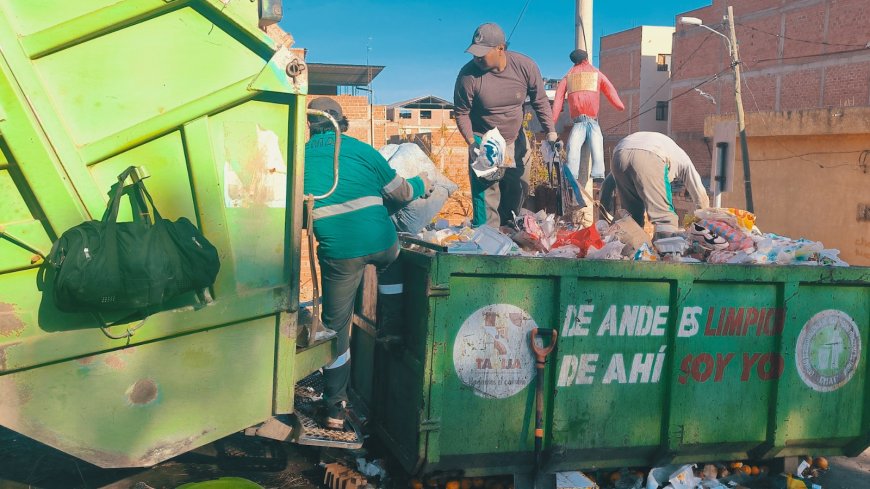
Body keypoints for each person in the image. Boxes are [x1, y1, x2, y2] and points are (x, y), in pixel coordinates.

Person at [304, 97, 433, 429]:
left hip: (339, 255)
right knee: (393, 262)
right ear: (341, 122)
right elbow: (402, 192)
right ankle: (391, 328)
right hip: (381, 243)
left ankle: (335, 407)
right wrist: (424, 183)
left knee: (335, 329)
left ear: (311, 125)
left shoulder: (300, 159)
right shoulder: (362, 151)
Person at [454, 22, 557, 227]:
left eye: (482, 53)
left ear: (500, 48)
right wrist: (472, 143)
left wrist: (551, 132)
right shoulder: (468, 76)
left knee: (518, 189)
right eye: (474, 53)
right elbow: (461, 112)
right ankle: (488, 244)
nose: (477, 58)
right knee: (487, 195)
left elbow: (540, 101)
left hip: (515, 139)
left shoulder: (525, 67)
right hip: (484, 140)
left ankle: (510, 236)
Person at [552, 48, 624, 226]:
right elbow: (610, 90)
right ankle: (598, 173)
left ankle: (573, 176)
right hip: (592, 121)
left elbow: (558, 99)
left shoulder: (568, 77)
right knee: (596, 146)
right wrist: (619, 105)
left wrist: (552, 120)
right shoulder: (596, 74)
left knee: (573, 150)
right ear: (586, 58)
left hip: (579, 122)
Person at [609, 132, 710, 238]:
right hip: (651, 155)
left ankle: (633, 249)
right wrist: (703, 218)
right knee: (664, 218)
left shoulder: (669, 148)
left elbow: (607, 185)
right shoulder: (682, 159)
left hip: (619, 155)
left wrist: (602, 219)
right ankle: (667, 251)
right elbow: (700, 195)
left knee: (632, 218)